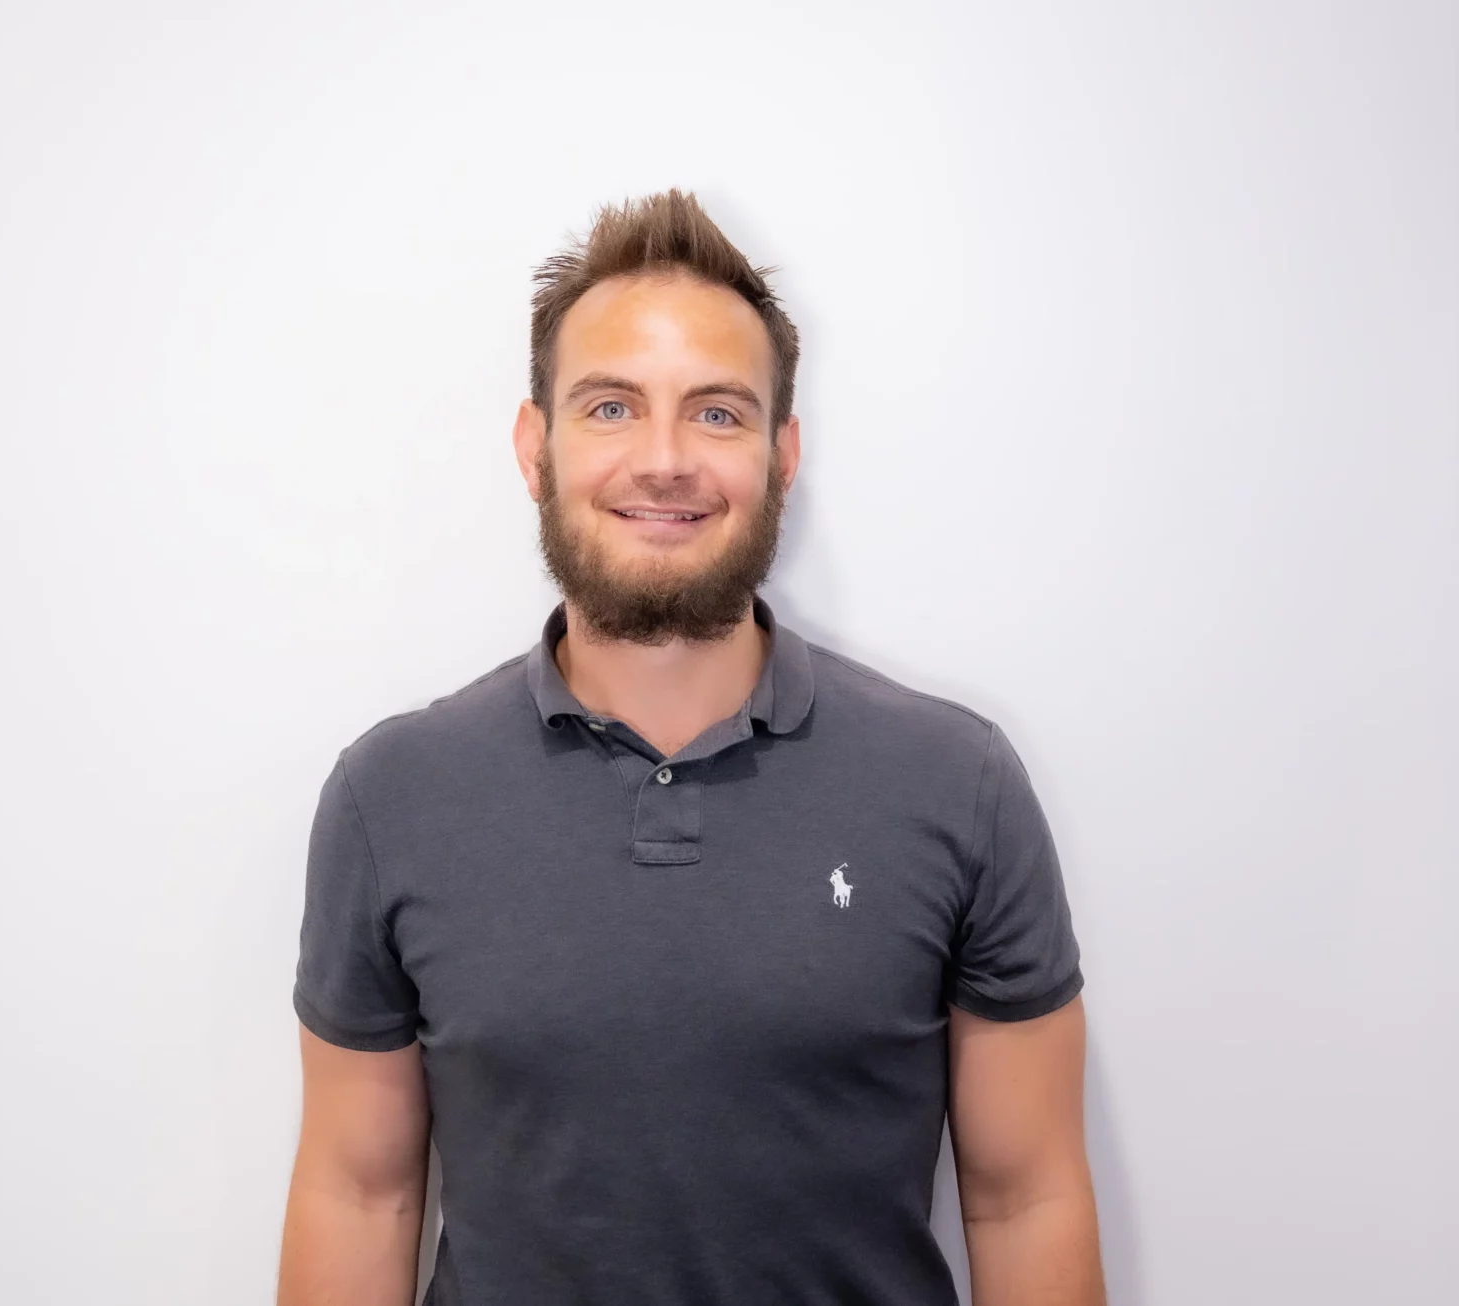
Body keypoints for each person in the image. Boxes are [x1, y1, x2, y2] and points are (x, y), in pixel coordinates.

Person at [277, 189, 1105, 1306]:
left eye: (716, 412)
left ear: (782, 453)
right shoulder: (392, 797)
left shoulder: (960, 785)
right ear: (535, 447)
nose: (663, 460)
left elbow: (1026, 1195)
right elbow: (357, 1191)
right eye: (611, 406)